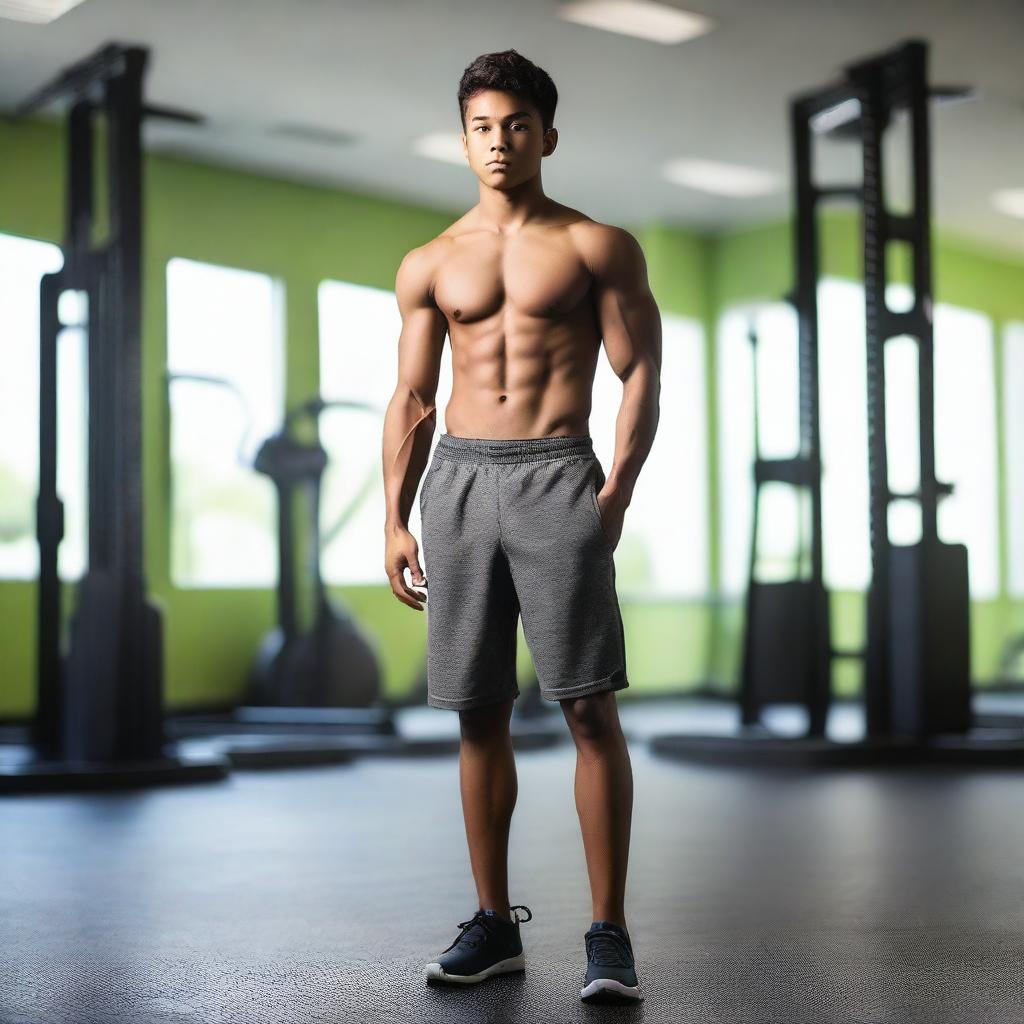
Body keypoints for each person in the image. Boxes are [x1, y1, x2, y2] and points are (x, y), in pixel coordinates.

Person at [381, 48, 661, 1005]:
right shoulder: (430, 262)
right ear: (464, 138)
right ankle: (493, 925)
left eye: (516, 124)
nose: (499, 142)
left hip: (555, 474)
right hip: (457, 482)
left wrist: (616, 491)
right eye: (481, 126)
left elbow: (641, 377)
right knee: (477, 713)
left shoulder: (597, 246)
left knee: (586, 706)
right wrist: (393, 518)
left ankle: (608, 935)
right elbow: (414, 393)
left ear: (548, 134)